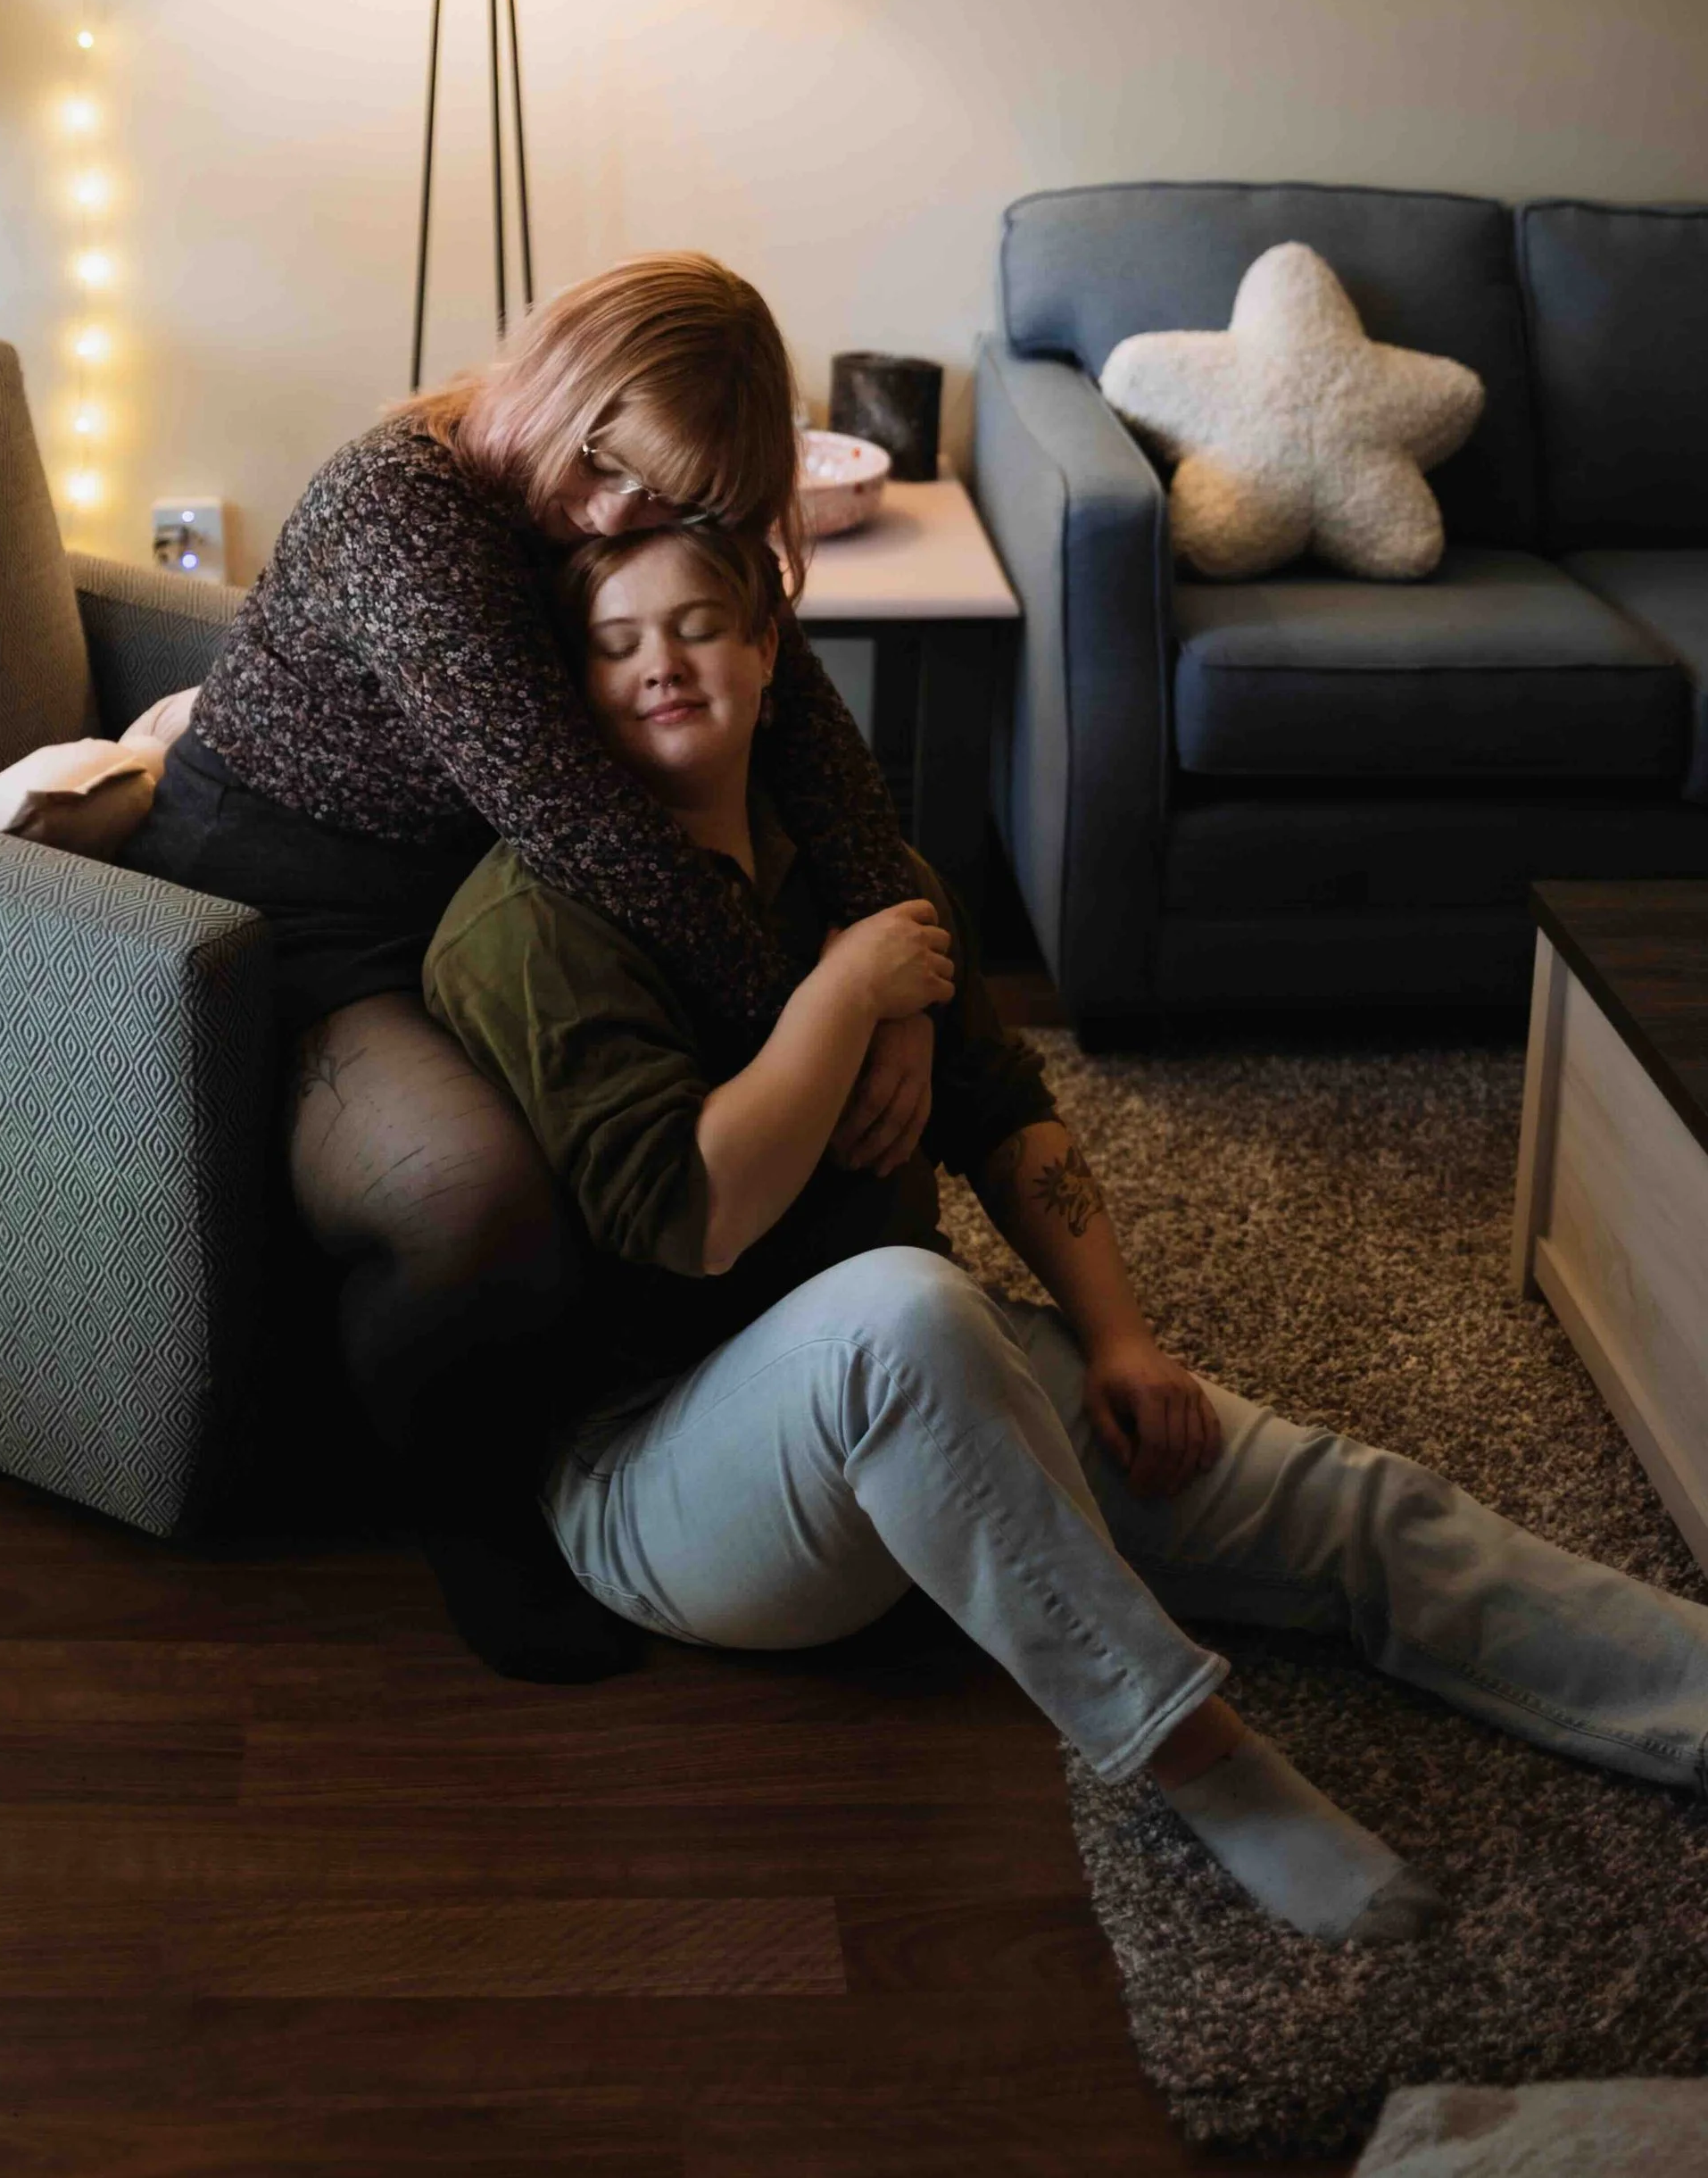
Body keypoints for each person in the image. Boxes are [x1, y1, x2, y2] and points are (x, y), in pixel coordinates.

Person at [424, 520, 1708, 1944]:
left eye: (697, 627)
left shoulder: (852, 863)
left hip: (930, 1385)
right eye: (613, 644)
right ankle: (1189, 1748)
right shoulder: (529, 920)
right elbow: (698, 1216)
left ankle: (1690, 1691)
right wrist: (849, 992)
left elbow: (1006, 1108)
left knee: (1353, 1502)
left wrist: (1119, 1338)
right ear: (569, 686)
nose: (660, 664)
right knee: (904, 1310)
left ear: (770, 653)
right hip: (659, 1472)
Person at [128, 254, 972, 1681]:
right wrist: (830, 1005)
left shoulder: (651, 506)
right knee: (477, 1192)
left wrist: (909, 980)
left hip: (482, 894)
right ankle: (464, 1509)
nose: (609, 514)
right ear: (557, 383)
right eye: (599, 463)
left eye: (668, 505)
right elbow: (583, 821)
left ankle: (716, 1415)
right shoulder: (406, 506)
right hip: (286, 912)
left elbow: (811, 739)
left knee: (700, 1103)